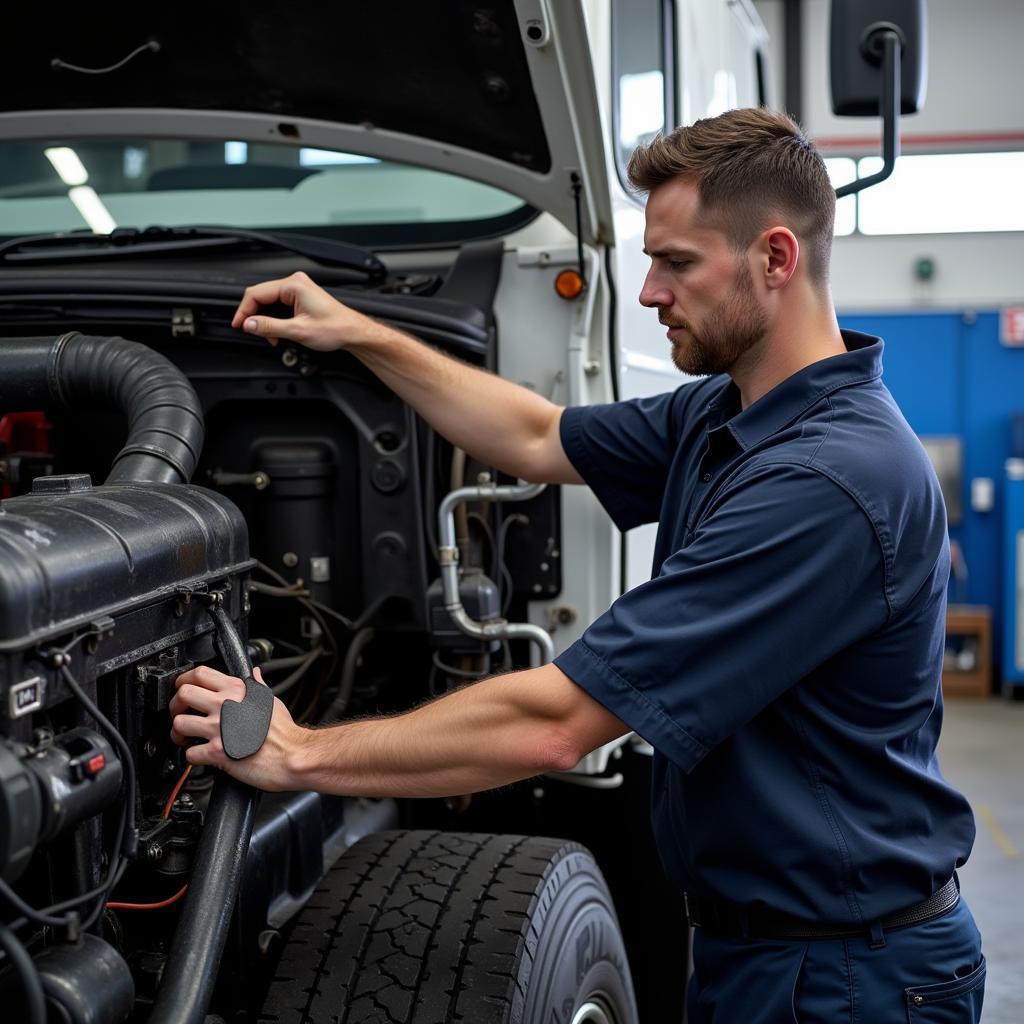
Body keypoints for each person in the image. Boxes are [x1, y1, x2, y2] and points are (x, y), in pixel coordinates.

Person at [170, 108, 984, 1020]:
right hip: (767, 949)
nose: (647, 292)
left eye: (676, 262)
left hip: (848, 976)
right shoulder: (726, 413)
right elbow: (534, 435)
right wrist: (358, 332)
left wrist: (302, 752)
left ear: (777, 258)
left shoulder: (831, 482)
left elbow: (557, 723)